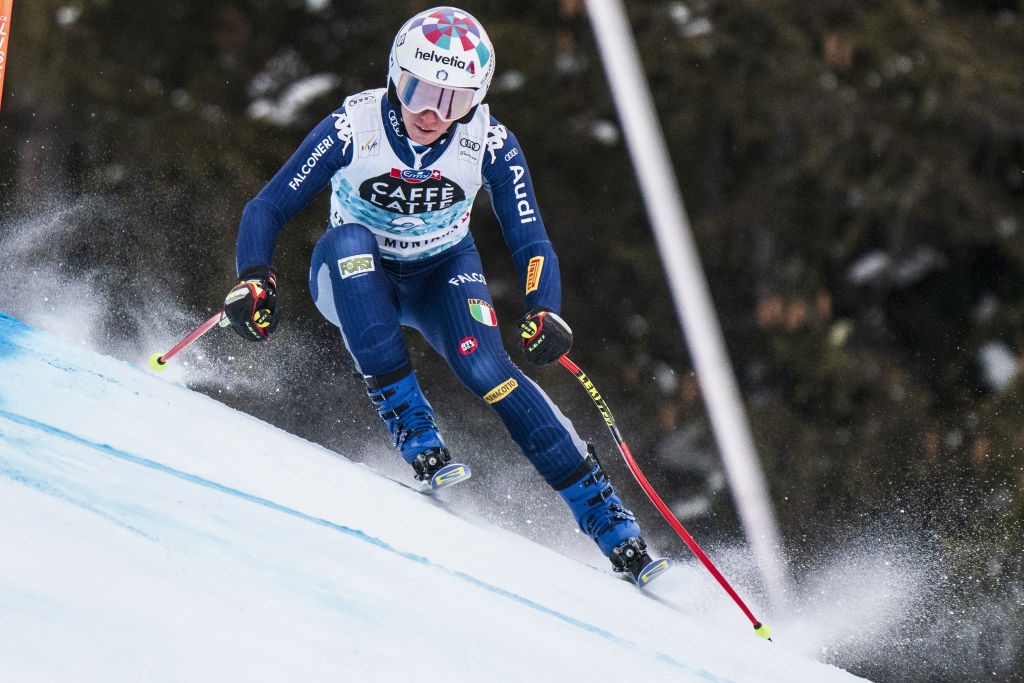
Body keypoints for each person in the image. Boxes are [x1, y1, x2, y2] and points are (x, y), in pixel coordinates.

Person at [223, 6, 667, 584]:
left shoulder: (491, 143)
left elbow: (530, 239)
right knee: (353, 239)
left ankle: (612, 526)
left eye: (453, 101)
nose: (430, 113)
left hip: (441, 273)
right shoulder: (353, 125)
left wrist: (543, 308)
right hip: (354, 278)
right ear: (393, 77)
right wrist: (255, 275)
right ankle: (413, 425)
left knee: (488, 367)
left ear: (476, 101)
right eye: (416, 91)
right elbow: (269, 206)